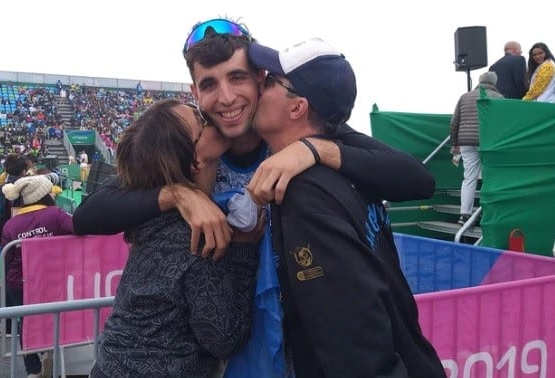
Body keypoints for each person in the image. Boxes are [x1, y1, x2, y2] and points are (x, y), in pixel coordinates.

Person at [74, 18, 435, 378]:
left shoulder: (291, 133)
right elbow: (89, 213)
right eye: (210, 84)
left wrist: (313, 149)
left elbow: (416, 178)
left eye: (237, 77)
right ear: (195, 92)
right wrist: (178, 194)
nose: (227, 98)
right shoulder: (193, 150)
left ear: (259, 79)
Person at [247, 37, 446, 378]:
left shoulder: (305, 194)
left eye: (268, 81)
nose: (257, 85)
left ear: (297, 108)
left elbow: (356, 347)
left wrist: (314, 150)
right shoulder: (343, 158)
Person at [90, 98, 258, 377]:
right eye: (200, 122)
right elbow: (224, 337)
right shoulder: (197, 234)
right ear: (195, 159)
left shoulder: (151, 216)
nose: (207, 115)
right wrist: (244, 249)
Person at [0, 174, 74, 378]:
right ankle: (50, 352)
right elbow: (77, 228)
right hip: (51, 278)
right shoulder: (56, 214)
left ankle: (32, 369)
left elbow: (7, 257)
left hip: (19, 283)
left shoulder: (11, 225)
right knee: (54, 316)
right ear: (44, 194)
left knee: (27, 323)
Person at [450, 71, 504, 225]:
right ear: (494, 83)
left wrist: (455, 143)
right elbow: (501, 122)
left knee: (469, 178)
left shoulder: (465, 97)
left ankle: (464, 214)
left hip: (466, 142)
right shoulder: (498, 98)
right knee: (489, 177)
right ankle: (488, 212)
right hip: (488, 142)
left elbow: (454, 122)